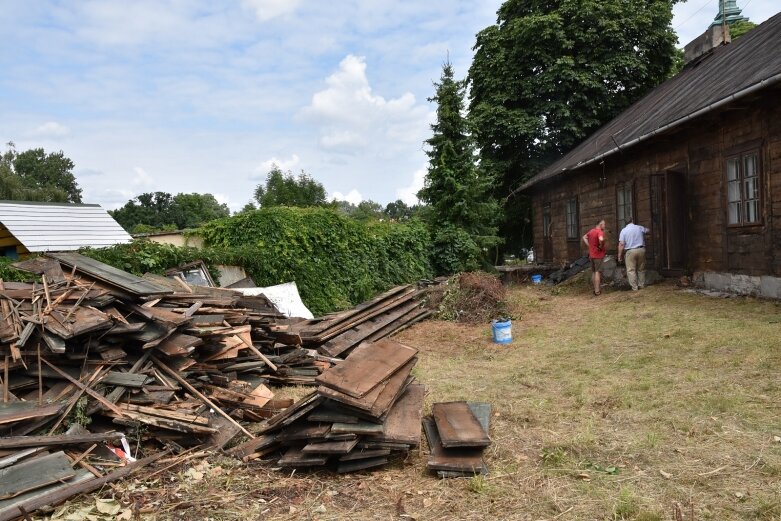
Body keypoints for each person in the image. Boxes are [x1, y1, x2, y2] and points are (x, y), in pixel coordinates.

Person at [617, 219, 649, 291]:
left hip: (630, 251)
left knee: (631, 270)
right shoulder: (639, 227)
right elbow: (648, 230)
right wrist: (645, 236)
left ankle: (634, 287)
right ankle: (642, 285)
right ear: (632, 221)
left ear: (625, 223)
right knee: (641, 268)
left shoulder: (624, 231)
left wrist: (619, 255)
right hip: (641, 249)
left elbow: (621, 244)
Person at [583, 220, 606, 296]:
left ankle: (595, 289)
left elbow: (584, 237)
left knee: (593, 272)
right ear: (600, 224)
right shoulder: (600, 231)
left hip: (592, 255)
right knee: (597, 272)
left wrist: (589, 246)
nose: (604, 226)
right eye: (604, 224)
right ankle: (597, 291)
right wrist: (601, 246)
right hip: (598, 255)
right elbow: (601, 239)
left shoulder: (591, 231)